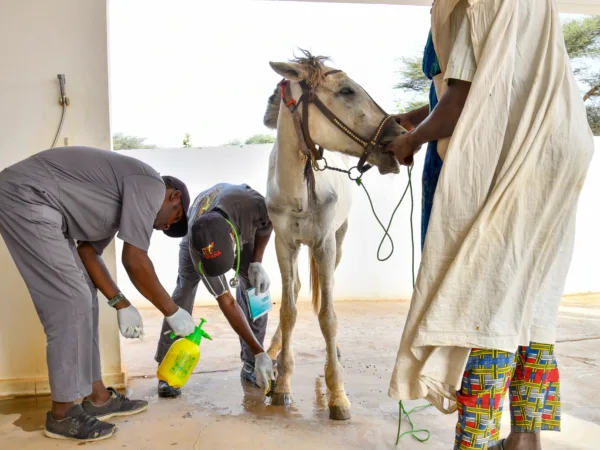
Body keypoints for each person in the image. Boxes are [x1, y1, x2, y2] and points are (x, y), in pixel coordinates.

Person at [387, 1, 594, 450]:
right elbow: (501, 83)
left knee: (485, 309)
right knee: (531, 306)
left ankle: (475, 443)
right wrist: (420, 116)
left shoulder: (474, 4)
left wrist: (410, 139)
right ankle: (525, 440)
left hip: (516, 153)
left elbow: (462, 100)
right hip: (558, 148)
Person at [0, 146, 197, 442]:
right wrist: (172, 311)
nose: (165, 226)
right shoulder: (151, 184)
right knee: (71, 300)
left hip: (43, 204)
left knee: (85, 296)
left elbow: (89, 252)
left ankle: (98, 398)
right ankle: (62, 414)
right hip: (27, 195)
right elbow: (134, 259)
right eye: (172, 218)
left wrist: (120, 303)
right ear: (173, 196)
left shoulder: (118, 202)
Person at [155, 183, 275, 398]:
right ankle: (167, 369)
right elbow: (226, 301)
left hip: (244, 231)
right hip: (199, 237)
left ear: (231, 236)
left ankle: (251, 363)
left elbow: (267, 226)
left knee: (256, 290)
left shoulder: (254, 205)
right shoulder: (196, 244)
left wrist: (256, 262)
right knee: (183, 294)